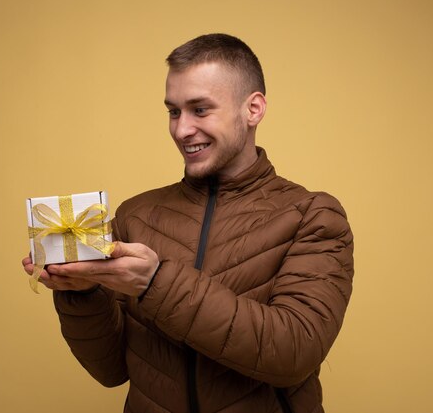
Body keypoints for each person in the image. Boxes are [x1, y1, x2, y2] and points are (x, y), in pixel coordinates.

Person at [22, 33, 354, 413]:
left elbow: (294, 352)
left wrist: (155, 282)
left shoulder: (313, 215)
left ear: (254, 109)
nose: (181, 130)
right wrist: (82, 294)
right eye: (173, 111)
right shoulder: (136, 216)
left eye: (200, 109)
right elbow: (112, 370)